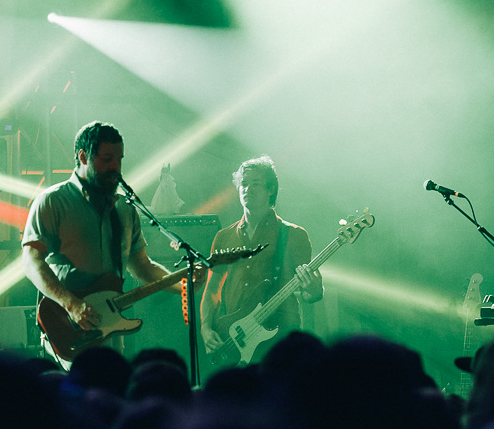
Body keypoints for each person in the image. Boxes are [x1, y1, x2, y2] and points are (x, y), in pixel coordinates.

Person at [21, 121, 197, 364]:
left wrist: (183, 285)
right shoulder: (52, 201)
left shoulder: (126, 208)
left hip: (111, 333)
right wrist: (71, 304)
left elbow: (142, 266)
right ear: (83, 156)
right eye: (106, 159)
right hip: (67, 328)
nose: (115, 166)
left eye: (119, 159)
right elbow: (31, 263)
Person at [199, 155, 322, 368]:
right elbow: (212, 288)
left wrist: (314, 287)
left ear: (270, 189)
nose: (247, 189)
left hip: (280, 341)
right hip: (235, 340)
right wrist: (205, 328)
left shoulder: (293, 235)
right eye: (244, 184)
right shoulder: (224, 237)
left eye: (255, 184)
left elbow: (310, 294)